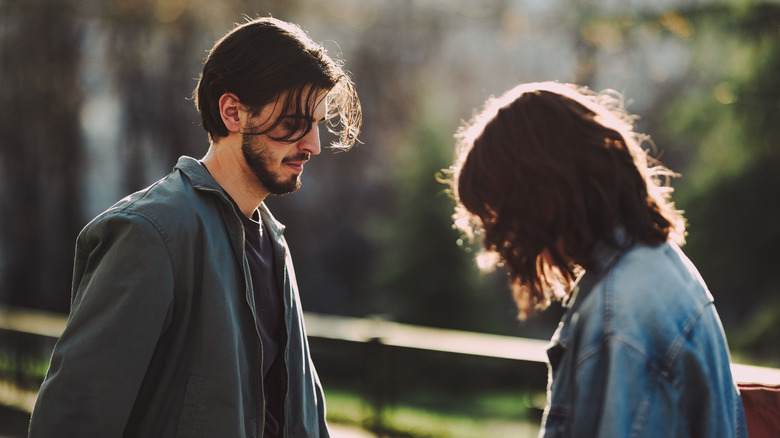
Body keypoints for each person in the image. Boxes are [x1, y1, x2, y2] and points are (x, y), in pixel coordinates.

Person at [29, 17, 360, 437]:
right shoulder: (150, 233)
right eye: (294, 122)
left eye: (316, 124)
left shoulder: (274, 245)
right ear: (232, 112)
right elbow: (72, 421)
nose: (312, 144)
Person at [447, 81, 746, 437]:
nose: (501, 240)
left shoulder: (620, 313)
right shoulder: (661, 266)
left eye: (500, 214)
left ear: (542, 196)